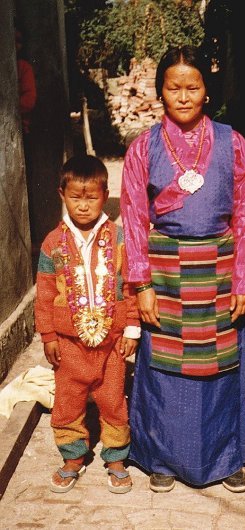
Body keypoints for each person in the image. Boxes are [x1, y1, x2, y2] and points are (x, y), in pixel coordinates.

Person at [120, 45, 245, 493]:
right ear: (161, 92)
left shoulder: (232, 142)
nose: (183, 95)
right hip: (163, 272)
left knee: (220, 366)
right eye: (173, 87)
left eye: (193, 86)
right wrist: (141, 283)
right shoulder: (143, 147)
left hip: (220, 270)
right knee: (164, 366)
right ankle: (161, 456)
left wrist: (244, 279)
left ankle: (225, 457)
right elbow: (132, 216)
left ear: (206, 91)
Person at [35, 155, 141, 494]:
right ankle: (72, 457)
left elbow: (131, 285)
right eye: (75, 197)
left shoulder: (119, 237)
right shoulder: (53, 243)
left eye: (91, 197)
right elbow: (44, 294)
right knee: (68, 401)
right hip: (69, 344)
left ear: (105, 194)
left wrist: (132, 328)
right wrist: (48, 335)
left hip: (110, 343)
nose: (83, 206)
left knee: (112, 400)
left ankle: (115, 458)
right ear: (62, 194)